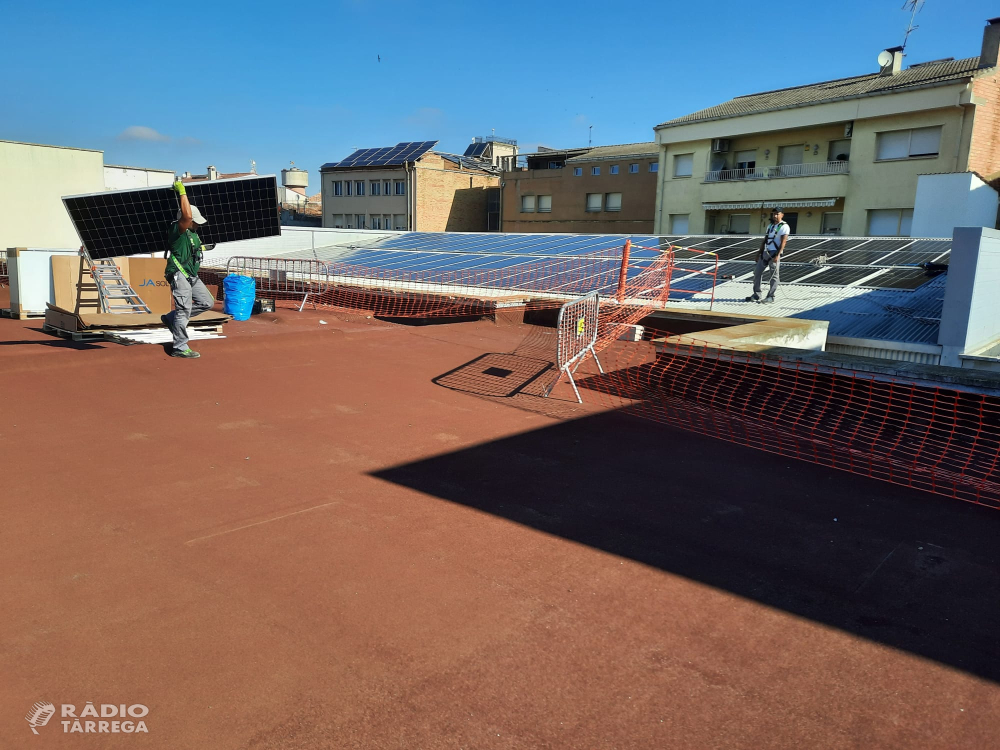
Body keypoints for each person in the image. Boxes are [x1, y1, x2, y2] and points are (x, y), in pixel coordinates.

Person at [163, 180, 215, 358]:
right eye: (195, 221)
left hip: (192, 275)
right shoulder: (177, 230)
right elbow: (186, 216)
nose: (197, 224)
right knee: (184, 309)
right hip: (179, 274)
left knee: (207, 302)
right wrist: (182, 192)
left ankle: (172, 318)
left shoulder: (193, 234)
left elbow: (193, 250)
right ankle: (179, 347)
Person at [746, 207, 790, 304]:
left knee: (774, 276)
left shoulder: (784, 226)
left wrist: (778, 255)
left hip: (775, 253)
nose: (775, 216)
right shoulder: (770, 226)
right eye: (774, 214)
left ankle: (771, 296)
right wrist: (759, 253)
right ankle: (757, 294)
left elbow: (783, 242)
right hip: (766, 252)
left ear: (782, 215)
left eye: (777, 214)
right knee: (757, 272)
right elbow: (765, 240)